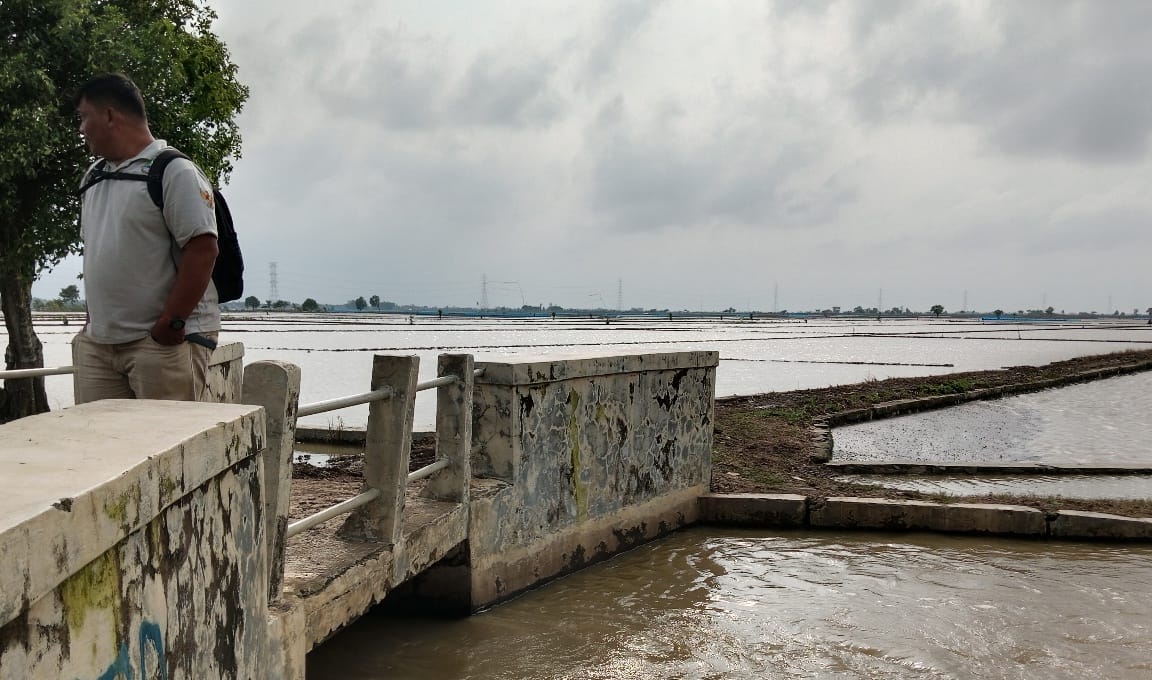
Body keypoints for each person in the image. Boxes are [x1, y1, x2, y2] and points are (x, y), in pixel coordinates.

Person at [72, 73, 220, 404]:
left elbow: (203, 250)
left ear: (110, 116)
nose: (81, 128)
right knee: (100, 449)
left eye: (84, 117)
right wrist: (90, 326)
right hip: (99, 345)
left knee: (166, 447)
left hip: (161, 344)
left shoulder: (174, 171)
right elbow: (99, 253)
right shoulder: (94, 176)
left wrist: (171, 324)